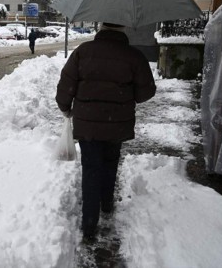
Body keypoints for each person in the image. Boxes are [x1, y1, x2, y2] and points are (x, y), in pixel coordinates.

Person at [55, 22, 156, 239]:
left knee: (91, 169)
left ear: (101, 27)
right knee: (110, 162)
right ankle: (107, 203)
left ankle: (89, 225)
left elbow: (65, 85)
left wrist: (65, 107)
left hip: (87, 124)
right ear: (123, 28)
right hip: (117, 124)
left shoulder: (83, 52)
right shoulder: (134, 56)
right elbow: (146, 93)